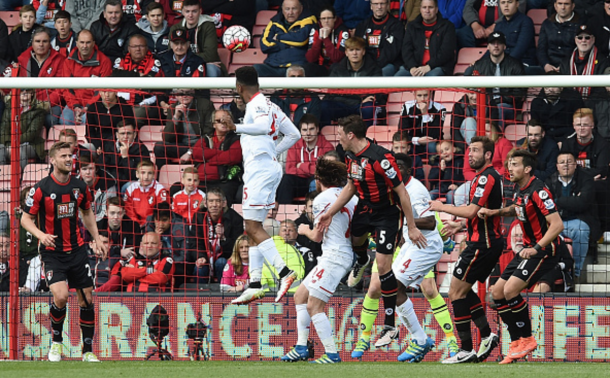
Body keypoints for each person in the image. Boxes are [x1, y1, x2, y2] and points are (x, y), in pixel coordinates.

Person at [317, 115, 427, 348]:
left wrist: (412, 226)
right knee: (356, 241)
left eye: (340, 134)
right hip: (365, 208)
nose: (338, 138)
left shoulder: (381, 159)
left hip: (387, 214)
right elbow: (350, 186)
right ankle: (361, 259)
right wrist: (330, 212)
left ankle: (389, 325)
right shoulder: (348, 155)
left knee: (384, 267)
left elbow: (402, 193)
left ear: (351, 135)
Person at [350, 153, 459, 360]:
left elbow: (430, 222)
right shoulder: (391, 187)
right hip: (410, 244)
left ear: (408, 169)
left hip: (424, 245)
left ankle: (423, 340)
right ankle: (417, 340)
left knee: (402, 287)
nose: (394, 170)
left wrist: (403, 224)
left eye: (399, 166)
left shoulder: (416, 190)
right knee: (386, 286)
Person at [20, 141, 108, 362]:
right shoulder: (40, 188)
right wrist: (41, 235)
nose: (69, 159)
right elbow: (25, 218)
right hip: (52, 252)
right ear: (52, 160)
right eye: (64, 156)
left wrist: (96, 238)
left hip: (77, 250)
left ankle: (87, 351)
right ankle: (56, 344)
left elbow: (87, 213)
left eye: (70, 156)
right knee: (60, 297)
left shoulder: (79, 186)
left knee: (87, 299)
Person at [477, 150, 567, 364]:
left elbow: (557, 225)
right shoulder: (520, 189)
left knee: (510, 290)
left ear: (527, 169)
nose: (510, 168)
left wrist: (537, 247)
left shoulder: (539, 191)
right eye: (509, 164)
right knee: (497, 292)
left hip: (544, 250)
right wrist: (494, 212)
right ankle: (517, 342)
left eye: (515, 164)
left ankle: (526, 338)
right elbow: (517, 210)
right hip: (527, 249)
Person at [222, 66, 301, 305]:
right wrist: (272, 152)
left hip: (260, 171)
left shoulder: (256, 105)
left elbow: (264, 127)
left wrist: (236, 127)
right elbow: (294, 134)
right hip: (268, 167)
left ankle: (285, 273)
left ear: (239, 87)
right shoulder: (271, 105)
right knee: (252, 227)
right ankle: (255, 284)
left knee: (253, 226)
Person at [428, 136, 503, 364]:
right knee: (462, 290)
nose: (470, 154)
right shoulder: (483, 178)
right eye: (470, 150)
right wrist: (459, 225)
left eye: (476, 151)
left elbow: (472, 211)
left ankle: (466, 349)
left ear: (488, 155)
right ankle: (487, 335)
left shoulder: (486, 177)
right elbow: (479, 214)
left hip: (483, 245)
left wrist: (442, 207)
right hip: (482, 242)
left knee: (455, 292)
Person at [280, 158, 356, 363]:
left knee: (314, 306)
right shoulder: (351, 197)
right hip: (338, 253)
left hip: (335, 256)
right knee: (301, 296)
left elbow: (317, 236)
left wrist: (304, 230)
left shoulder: (322, 199)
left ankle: (332, 354)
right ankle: (301, 347)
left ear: (318, 179)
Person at [545, 151, 596, 282]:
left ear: (575, 165)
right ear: (557, 166)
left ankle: (576, 273)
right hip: (554, 222)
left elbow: (583, 203)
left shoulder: (585, 179)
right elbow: (546, 205)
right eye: (562, 162)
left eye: (569, 162)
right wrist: (572, 200)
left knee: (582, 230)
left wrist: (558, 200)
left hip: (575, 221)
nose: (565, 165)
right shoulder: (549, 181)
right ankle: (549, 272)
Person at [321, 36, 385, 128]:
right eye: (351, 50)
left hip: (362, 105)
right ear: (346, 53)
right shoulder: (337, 70)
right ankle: (325, 137)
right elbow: (332, 94)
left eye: (357, 49)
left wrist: (364, 99)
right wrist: (357, 99)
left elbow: (378, 92)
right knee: (324, 105)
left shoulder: (374, 69)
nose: (354, 53)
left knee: (369, 107)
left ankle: (368, 138)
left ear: (363, 52)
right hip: (344, 104)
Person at [468, 31, 526, 130]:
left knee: (498, 108)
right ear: (487, 47)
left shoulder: (515, 65)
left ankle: (496, 139)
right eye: (492, 43)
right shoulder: (479, 65)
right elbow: (472, 88)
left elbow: (519, 93)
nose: (496, 46)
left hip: (507, 106)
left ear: (504, 46)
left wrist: (497, 101)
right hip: (485, 104)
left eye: (499, 43)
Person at [9, 27, 65, 129]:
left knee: (49, 119)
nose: (41, 44)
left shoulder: (60, 60)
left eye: (45, 41)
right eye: (37, 41)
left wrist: (46, 103)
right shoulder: (22, 59)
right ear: (32, 43)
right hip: (27, 101)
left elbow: (60, 89)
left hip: (50, 103)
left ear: (49, 43)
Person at [61, 30, 113, 126]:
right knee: (65, 119)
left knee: (87, 121)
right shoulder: (68, 62)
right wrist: (75, 106)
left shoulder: (104, 61)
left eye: (88, 42)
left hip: (94, 105)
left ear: (93, 43)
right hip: (74, 104)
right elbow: (66, 89)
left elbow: (102, 90)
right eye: (82, 42)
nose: (84, 46)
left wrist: (88, 107)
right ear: (76, 43)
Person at [190, 109, 243, 204]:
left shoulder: (236, 139)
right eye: (219, 121)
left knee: (223, 198)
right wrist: (219, 153)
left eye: (226, 120)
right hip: (201, 181)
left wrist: (207, 158)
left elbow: (232, 157)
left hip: (224, 182)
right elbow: (197, 153)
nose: (223, 123)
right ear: (214, 124)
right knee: (176, 188)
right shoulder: (206, 138)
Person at [277, 114, 333, 204]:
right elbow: (290, 170)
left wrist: (301, 166)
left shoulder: (327, 147)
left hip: (317, 183)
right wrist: (313, 168)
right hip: (299, 184)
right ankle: (284, 212)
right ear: (300, 131)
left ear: (317, 129)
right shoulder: (294, 145)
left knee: (316, 181)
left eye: (311, 129)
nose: (308, 133)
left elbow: (323, 172)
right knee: (286, 180)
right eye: (304, 130)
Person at [153, 88, 214, 169]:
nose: (184, 96)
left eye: (188, 93)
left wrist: (190, 152)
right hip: (183, 146)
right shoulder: (173, 108)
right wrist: (176, 117)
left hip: (201, 146)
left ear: (193, 92)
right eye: (181, 94)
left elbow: (208, 134)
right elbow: (167, 138)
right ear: (176, 95)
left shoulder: (205, 105)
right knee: (159, 147)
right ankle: (160, 178)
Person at [256, 0, 317, 77]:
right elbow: (264, 45)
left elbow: (301, 40)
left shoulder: (309, 20)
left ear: (301, 9)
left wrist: (278, 37)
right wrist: (287, 45)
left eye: (294, 9)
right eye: (287, 9)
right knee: (256, 69)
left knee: (300, 72)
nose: (290, 13)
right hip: (274, 65)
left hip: (297, 66)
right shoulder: (274, 22)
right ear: (282, 9)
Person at [396, 0, 456, 77]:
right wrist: (412, 67)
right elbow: (406, 50)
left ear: (436, 9)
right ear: (420, 9)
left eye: (430, 7)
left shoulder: (447, 26)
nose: (427, 11)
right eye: (424, 7)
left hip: (437, 67)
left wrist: (429, 66)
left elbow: (446, 53)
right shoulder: (412, 26)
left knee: (430, 79)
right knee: (397, 78)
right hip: (415, 68)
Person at [169, 0, 226, 77]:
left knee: (210, 69)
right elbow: (171, 53)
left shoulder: (208, 26)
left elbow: (210, 55)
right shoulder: (176, 28)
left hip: (206, 64)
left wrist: (184, 58)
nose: (190, 15)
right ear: (182, 12)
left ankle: (207, 89)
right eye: (187, 11)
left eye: (194, 11)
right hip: (183, 64)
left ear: (200, 11)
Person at [201, 187, 244, 281]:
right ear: (205, 203)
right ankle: (199, 294)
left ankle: (223, 290)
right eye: (211, 201)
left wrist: (224, 238)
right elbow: (194, 242)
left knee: (221, 263)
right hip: (205, 256)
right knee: (199, 267)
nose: (214, 205)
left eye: (218, 201)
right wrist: (200, 257)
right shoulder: (199, 217)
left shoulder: (236, 219)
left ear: (224, 203)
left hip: (226, 257)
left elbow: (237, 247)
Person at [354, 0, 403, 76]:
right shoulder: (363, 26)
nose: (379, 7)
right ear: (371, 6)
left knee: (379, 74)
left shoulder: (397, 26)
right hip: (367, 64)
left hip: (389, 65)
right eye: (376, 4)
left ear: (387, 5)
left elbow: (391, 53)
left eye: (382, 4)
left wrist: (373, 67)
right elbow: (358, 48)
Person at [0, 89, 47, 169]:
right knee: (0, 148)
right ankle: (2, 177)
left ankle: (22, 178)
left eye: (27, 90)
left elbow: (31, 134)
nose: (24, 92)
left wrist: (14, 143)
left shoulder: (39, 111)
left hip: (31, 144)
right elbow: (3, 130)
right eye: (21, 90)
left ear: (32, 93)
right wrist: (10, 144)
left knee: (19, 150)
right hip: (10, 144)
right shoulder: (9, 108)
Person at [560, 24, 608, 98]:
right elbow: (564, 88)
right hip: (570, 104)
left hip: (594, 104)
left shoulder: (603, 61)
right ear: (575, 40)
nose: (583, 40)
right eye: (580, 38)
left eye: (587, 37)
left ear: (593, 40)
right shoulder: (566, 61)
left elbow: (600, 90)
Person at [100, 121, 150, 189]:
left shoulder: (142, 150)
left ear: (134, 135)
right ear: (117, 135)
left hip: (130, 183)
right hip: (112, 181)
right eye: (122, 133)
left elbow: (136, 176)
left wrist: (125, 157)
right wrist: (113, 180)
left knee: (130, 186)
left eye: (129, 133)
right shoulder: (108, 144)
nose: (125, 137)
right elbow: (102, 167)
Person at [494, 0, 538, 74]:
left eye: (510, 2)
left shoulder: (526, 22)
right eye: (503, 2)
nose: (506, 5)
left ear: (517, 4)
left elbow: (520, 49)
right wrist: (479, 62)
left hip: (523, 63)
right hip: (503, 64)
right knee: (473, 69)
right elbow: (492, 47)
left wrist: (504, 63)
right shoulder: (498, 25)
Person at [537, 0, 581, 74]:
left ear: (573, 6)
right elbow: (541, 48)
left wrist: (565, 66)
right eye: (560, 4)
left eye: (566, 4)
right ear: (555, 6)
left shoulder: (580, 23)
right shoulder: (547, 23)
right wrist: (546, 65)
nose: (563, 7)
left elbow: (581, 50)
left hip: (572, 67)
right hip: (548, 66)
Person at [399, 89, 445, 157]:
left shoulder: (440, 108)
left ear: (431, 94)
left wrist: (425, 114)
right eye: (419, 95)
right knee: (400, 146)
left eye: (426, 95)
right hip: (413, 141)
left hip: (431, 143)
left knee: (431, 146)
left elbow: (434, 135)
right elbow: (401, 132)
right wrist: (417, 140)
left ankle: (435, 167)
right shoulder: (407, 106)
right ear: (414, 94)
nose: (423, 99)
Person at [305, 5, 349, 76]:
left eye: (329, 18)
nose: (326, 21)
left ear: (335, 19)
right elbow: (310, 58)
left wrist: (326, 38)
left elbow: (337, 59)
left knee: (335, 67)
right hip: (322, 66)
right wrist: (320, 38)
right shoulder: (316, 30)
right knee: (309, 67)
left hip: (338, 68)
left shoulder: (342, 31)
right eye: (323, 18)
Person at [124, 160, 169, 226]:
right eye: (143, 173)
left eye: (150, 173)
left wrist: (148, 225)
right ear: (137, 174)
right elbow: (129, 211)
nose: (146, 177)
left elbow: (162, 212)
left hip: (153, 225)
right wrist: (136, 225)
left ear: (154, 175)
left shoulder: (160, 190)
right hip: (135, 225)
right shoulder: (131, 189)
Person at [78, 155, 118, 223]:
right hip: (81, 223)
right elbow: (76, 211)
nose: (88, 172)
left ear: (96, 169)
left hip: (102, 223)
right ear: (80, 171)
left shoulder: (108, 184)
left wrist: (91, 225)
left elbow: (107, 211)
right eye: (84, 169)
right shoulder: (74, 185)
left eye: (91, 169)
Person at [428, 140, 465, 204]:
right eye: (441, 152)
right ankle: (428, 213)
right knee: (430, 194)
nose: (445, 152)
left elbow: (464, 178)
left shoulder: (460, 161)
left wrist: (457, 185)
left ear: (453, 149)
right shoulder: (437, 163)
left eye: (447, 149)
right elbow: (431, 179)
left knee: (450, 195)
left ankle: (450, 213)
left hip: (454, 189)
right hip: (440, 189)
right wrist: (440, 170)